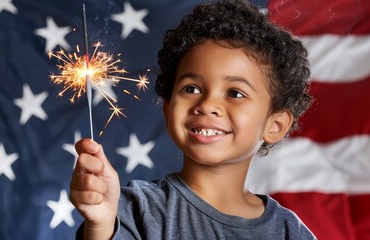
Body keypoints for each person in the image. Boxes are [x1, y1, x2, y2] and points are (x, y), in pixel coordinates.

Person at [70, 0, 316, 239]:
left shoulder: (289, 231)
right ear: (167, 110)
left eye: (235, 93)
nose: (207, 105)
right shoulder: (133, 210)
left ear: (274, 125)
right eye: (191, 89)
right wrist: (101, 226)